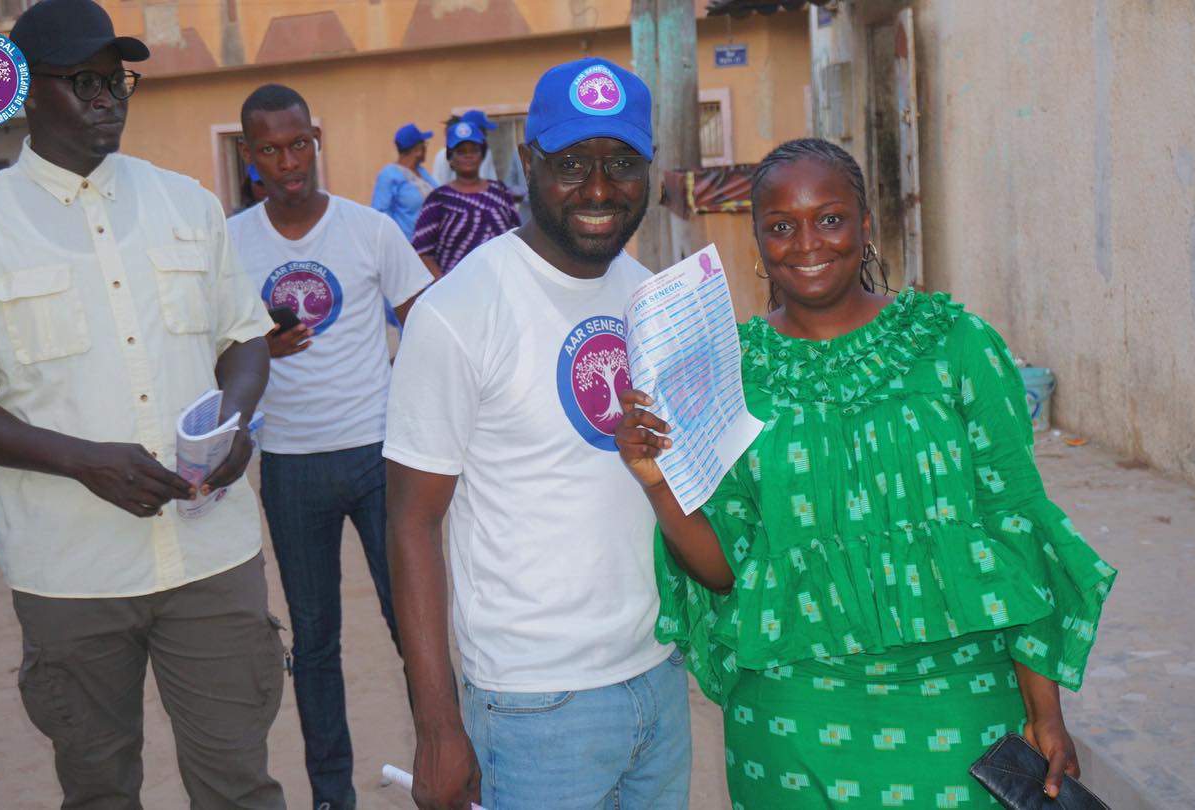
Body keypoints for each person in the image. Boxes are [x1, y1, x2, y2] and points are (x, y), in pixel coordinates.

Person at [615, 138, 1119, 809]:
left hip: (959, 715)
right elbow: (723, 570)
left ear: (864, 225)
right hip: (791, 719)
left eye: (828, 218)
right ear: (758, 242)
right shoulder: (727, 373)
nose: (806, 243)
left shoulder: (954, 344)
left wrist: (1045, 713)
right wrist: (657, 481)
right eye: (781, 226)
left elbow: (1016, 526)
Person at [0, 1, 286, 807]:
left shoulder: (186, 203)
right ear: (24, 90)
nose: (107, 97)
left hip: (211, 553)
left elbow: (246, 338)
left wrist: (234, 424)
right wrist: (76, 459)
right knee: (98, 790)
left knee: (240, 785)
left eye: (117, 78)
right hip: (69, 570)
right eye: (82, 79)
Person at [383, 58, 691, 810]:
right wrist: (437, 725)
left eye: (621, 163)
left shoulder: (652, 298)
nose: (597, 189)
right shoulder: (458, 312)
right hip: (535, 704)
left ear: (649, 170)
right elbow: (411, 522)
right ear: (526, 164)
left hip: (659, 674)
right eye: (571, 164)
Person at [229, 83, 434, 810]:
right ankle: (329, 796)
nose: (288, 163)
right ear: (250, 157)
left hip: (380, 458)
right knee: (314, 646)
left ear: (314, 140)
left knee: (416, 627)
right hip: (289, 464)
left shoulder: (369, 229)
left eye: (298, 145)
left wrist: (418, 414)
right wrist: (262, 350)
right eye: (271, 150)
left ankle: (445, 774)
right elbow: (218, 351)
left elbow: (429, 322)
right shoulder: (233, 243)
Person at [410, 118, 520, 277]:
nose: (468, 156)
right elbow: (422, 252)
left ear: (482, 155)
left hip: (502, 285)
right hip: (456, 293)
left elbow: (516, 239)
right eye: (461, 151)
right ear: (450, 158)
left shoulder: (500, 192)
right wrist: (443, 285)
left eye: (473, 150)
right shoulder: (439, 200)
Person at [371, 123, 437, 240]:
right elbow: (380, 215)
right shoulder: (389, 175)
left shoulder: (421, 171)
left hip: (431, 243)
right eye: (424, 145)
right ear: (417, 150)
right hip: (408, 245)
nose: (426, 148)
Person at [429, 109, 499, 185]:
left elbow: (492, 181)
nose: (486, 135)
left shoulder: (486, 152)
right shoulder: (443, 155)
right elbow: (438, 185)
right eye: (483, 131)